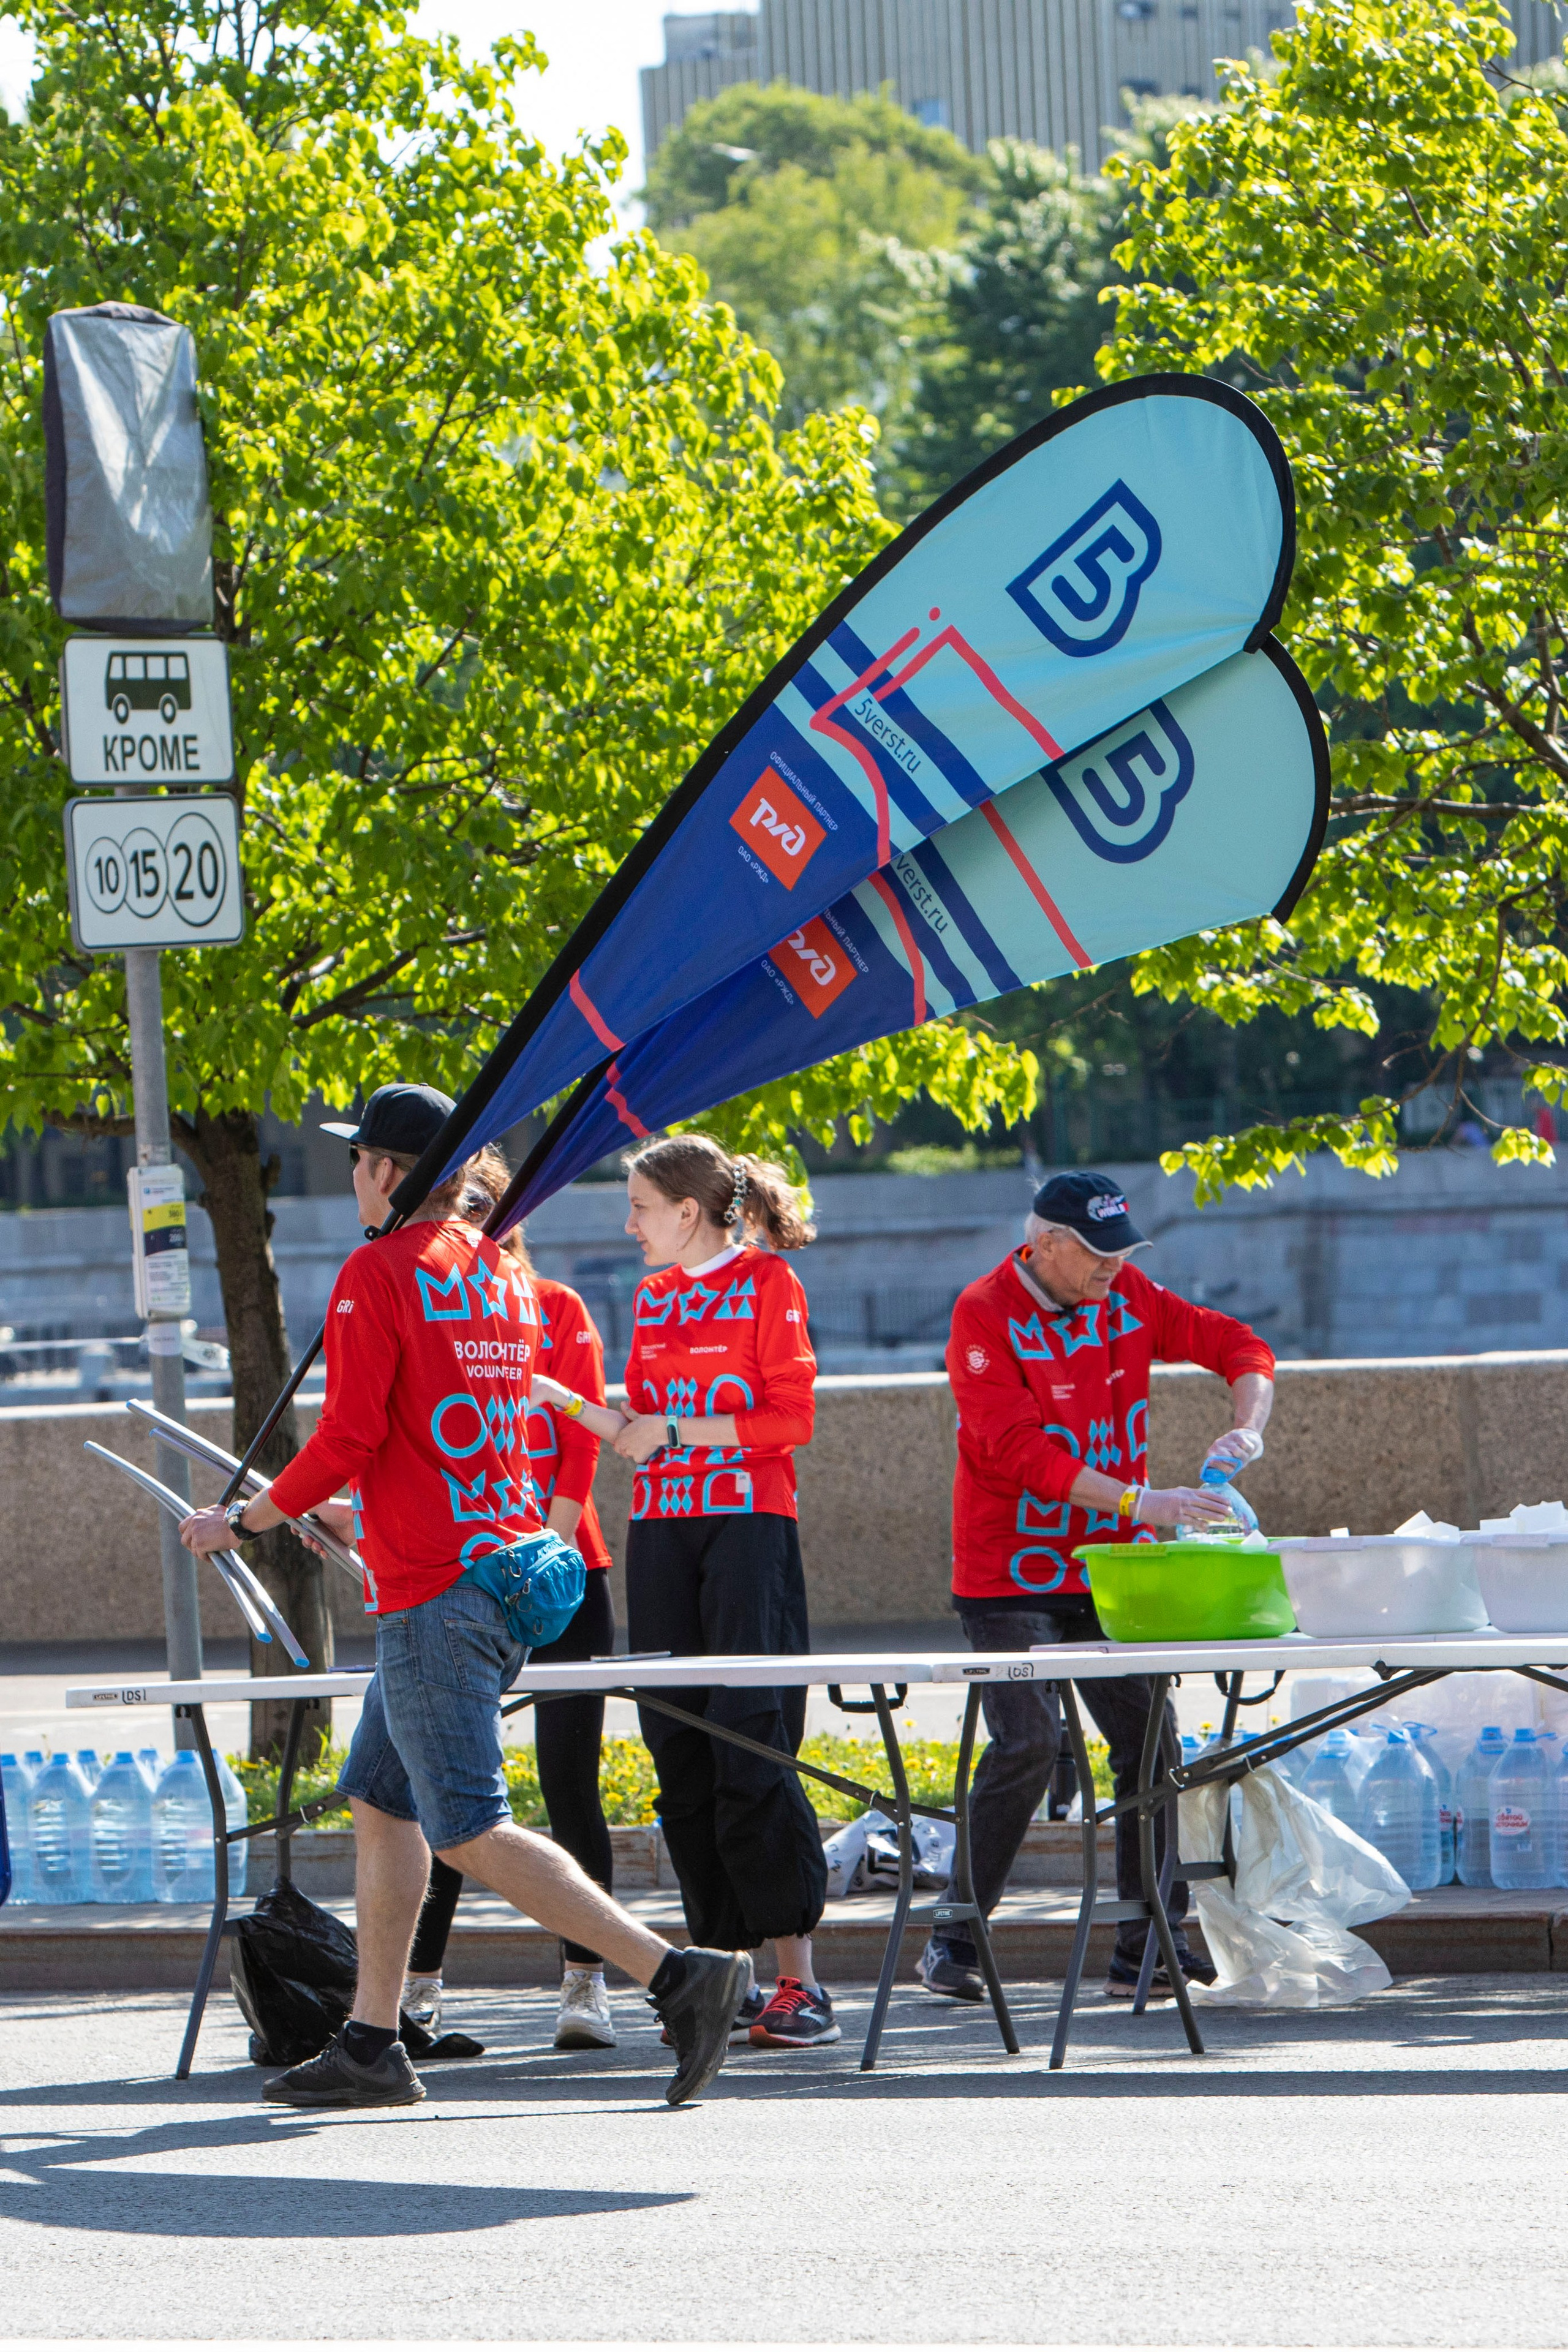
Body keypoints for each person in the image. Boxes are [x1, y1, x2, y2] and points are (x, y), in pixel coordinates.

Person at [178, 1081, 748, 2109]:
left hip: (435, 1590)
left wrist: (244, 1522)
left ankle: (677, 1976)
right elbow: (430, 1426)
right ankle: (372, 2040)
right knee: (381, 1801)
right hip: (501, 1569)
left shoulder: (379, 1271)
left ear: (388, 1172)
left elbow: (349, 1437)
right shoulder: (497, 1272)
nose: (353, 1176)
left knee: (468, 1829)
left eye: (359, 1159)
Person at [919, 1169, 1276, 2005]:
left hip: (1112, 1568)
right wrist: (1143, 1503)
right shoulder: (983, 1312)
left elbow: (1240, 1346)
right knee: (1027, 1743)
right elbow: (1015, 1452)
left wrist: (1246, 1428)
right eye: (1097, 1252)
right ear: (1045, 1245)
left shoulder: (1129, 1295)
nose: (1115, 1266)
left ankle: (1147, 1945)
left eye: (1123, 1250)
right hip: (1009, 1576)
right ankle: (954, 1938)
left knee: (1151, 1742)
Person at [530, 1133, 834, 2050]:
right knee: (677, 1744)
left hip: (748, 1528)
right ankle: (722, 1973)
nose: (629, 1226)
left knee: (751, 1739)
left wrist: (670, 1433)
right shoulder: (655, 1296)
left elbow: (790, 1418)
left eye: (640, 1208)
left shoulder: (769, 1282)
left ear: (689, 1212)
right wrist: (561, 1399)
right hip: (661, 1530)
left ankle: (801, 1983)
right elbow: (642, 1423)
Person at [402, 1150, 624, 2056]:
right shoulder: (429, 1306)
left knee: (570, 1781)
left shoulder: (555, 1307)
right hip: (461, 1577)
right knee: (447, 1788)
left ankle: (586, 1982)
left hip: (559, 1572)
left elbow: (581, 1445)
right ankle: (417, 1989)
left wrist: (546, 1558)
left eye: (480, 1209)